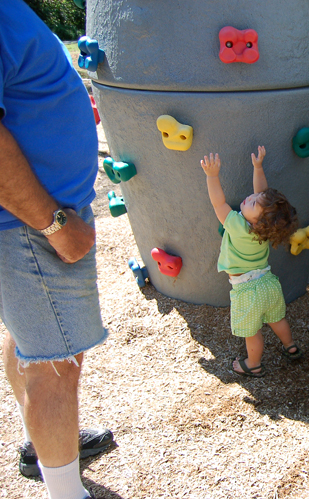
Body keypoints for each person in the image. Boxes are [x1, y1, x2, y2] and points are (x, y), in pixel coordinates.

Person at [0, 1, 113, 497]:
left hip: (27, 219)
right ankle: (67, 492)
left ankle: (38, 445)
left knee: (31, 339)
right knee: (56, 364)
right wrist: (54, 223)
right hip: (31, 222)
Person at [200, 147, 303, 377]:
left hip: (247, 290)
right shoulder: (266, 231)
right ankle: (291, 346)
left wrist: (212, 176)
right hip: (268, 283)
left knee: (252, 331)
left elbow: (219, 204)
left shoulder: (237, 226)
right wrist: (258, 168)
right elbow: (263, 193)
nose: (250, 198)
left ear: (258, 222)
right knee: (277, 319)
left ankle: (253, 364)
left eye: (254, 203)